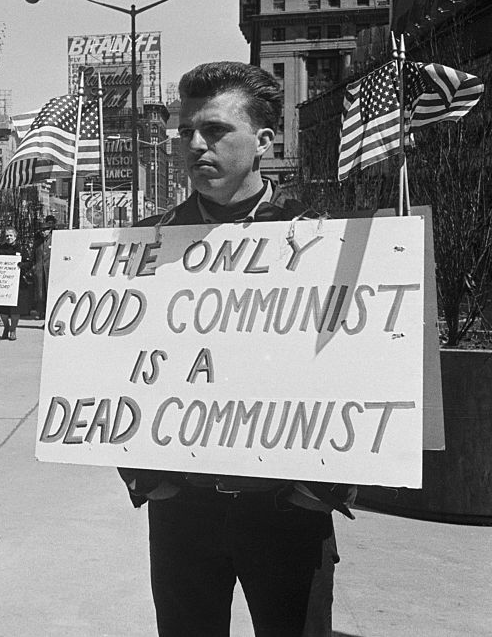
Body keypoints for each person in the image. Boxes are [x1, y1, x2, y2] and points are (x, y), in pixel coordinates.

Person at [119, 61, 354, 636]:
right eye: (186, 132)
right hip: (184, 511)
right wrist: (147, 476)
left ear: (264, 142)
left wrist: (322, 489)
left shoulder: (327, 238)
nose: (196, 144)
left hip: (288, 509)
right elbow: (113, 367)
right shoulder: (143, 245)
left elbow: (360, 368)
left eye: (217, 130)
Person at [0, 227, 24, 340]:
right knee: (3, 311)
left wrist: (22, 266)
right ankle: (6, 327)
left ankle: (13, 329)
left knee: (15, 311)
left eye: (11, 235)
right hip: (3, 285)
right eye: (7, 236)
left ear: (15, 236)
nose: (9, 237)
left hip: (16, 284)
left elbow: (29, 262)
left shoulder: (21, 248)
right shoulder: (0, 249)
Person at [32, 214, 56, 319]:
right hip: (39, 271)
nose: (43, 232)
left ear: (50, 230)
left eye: (45, 230)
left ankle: (50, 315)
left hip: (51, 271)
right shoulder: (37, 243)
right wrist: (34, 267)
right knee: (40, 294)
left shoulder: (55, 240)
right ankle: (41, 312)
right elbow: (33, 256)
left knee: (51, 293)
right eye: (42, 230)